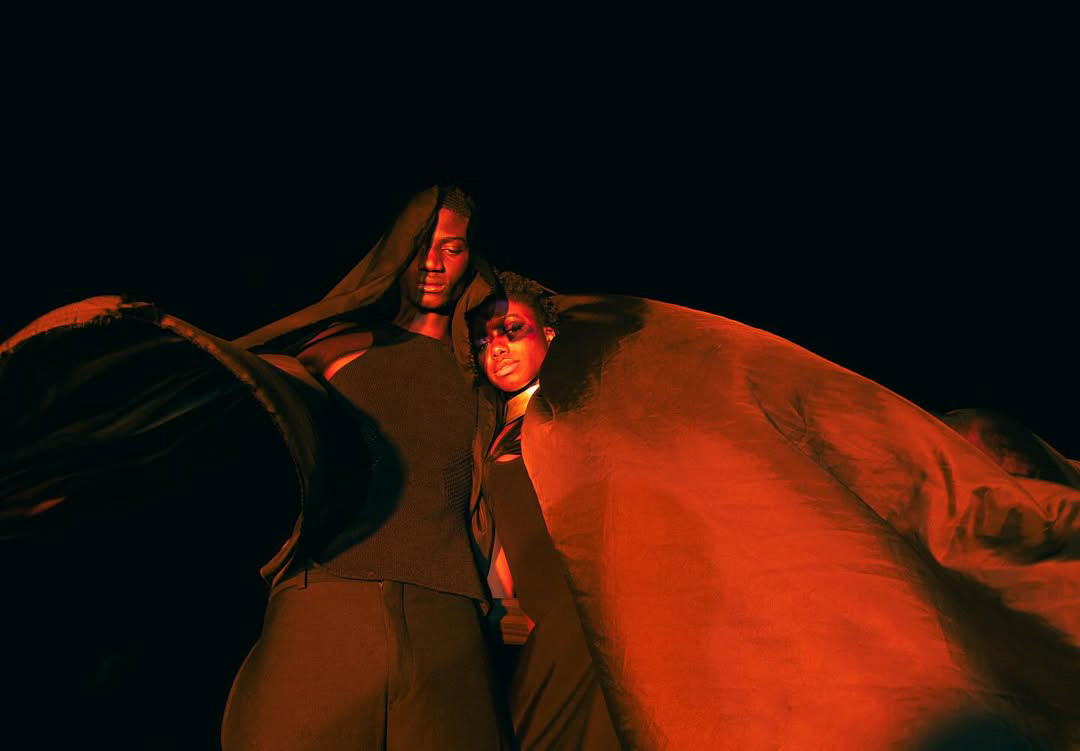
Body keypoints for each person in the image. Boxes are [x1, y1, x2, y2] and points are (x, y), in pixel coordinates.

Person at [467, 271, 620, 749]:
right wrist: (499, 606)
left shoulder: (574, 414)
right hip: (537, 619)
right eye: (483, 341)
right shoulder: (495, 431)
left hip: (584, 611)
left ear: (549, 335)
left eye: (512, 331)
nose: (497, 347)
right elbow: (505, 526)